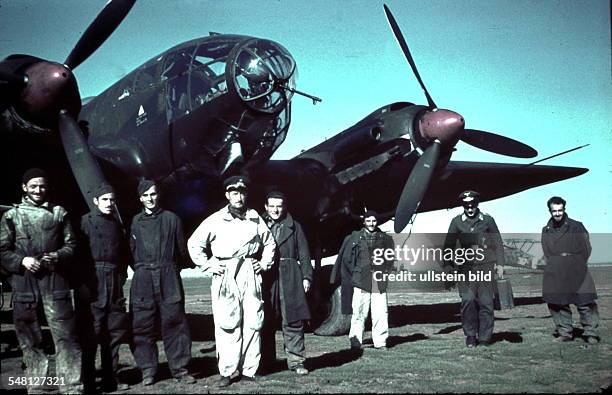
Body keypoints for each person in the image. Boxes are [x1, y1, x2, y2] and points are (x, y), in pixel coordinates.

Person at [0, 168, 83, 393]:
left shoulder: (59, 213)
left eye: (42, 186)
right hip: (24, 283)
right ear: (24, 188)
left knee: (66, 335)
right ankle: (37, 387)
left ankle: (71, 386)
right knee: (29, 338)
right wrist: (22, 260)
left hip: (55, 281)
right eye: (34, 186)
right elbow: (2, 250)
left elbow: (72, 245)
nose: (38, 190)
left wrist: (57, 255)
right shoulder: (11, 216)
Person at [187, 175, 276, 387]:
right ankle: (227, 371)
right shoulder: (215, 219)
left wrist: (263, 264)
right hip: (225, 272)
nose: (239, 196)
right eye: (234, 192)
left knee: (253, 321)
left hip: (249, 271)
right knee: (228, 322)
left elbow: (269, 243)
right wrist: (209, 265)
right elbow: (194, 244)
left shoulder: (255, 218)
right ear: (227, 195)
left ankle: (249, 370)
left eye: (242, 192)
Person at [129, 179, 195, 385]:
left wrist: (170, 268)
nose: (150, 198)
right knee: (142, 326)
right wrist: (144, 268)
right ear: (140, 198)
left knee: (175, 323)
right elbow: (131, 251)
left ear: (158, 195)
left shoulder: (172, 219)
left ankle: (180, 369)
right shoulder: (135, 222)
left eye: (153, 194)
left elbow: (182, 250)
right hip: (143, 277)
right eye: (145, 195)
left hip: (169, 276)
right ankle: (148, 370)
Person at [77, 182, 130, 392]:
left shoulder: (117, 225)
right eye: (105, 199)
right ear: (96, 201)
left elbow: (124, 255)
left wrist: (121, 275)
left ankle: (111, 378)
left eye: (112, 199)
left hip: (114, 281)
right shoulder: (84, 222)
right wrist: (84, 285)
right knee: (92, 334)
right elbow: (78, 256)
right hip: (93, 281)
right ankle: (88, 381)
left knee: (114, 332)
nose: (109, 203)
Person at [443, 190, 505, 348]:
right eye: (466, 206)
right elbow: (448, 246)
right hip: (466, 269)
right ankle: (470, 335)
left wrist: (500, 264)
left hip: (486, 267)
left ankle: (485, 337)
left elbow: (498, 242)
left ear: (477, 204)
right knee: (468, 301)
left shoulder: (487, 220)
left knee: (486, 303)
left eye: (473, 205)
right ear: (463, 206)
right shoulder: (457, 222)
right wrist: (448, 267)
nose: (470, 209)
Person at [260, 190, 312, 375]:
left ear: (284, 207)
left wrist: (307, 276)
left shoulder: (295, 226)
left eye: (279, 206)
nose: (275, 210)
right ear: (266, 207)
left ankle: (297, 361)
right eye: (272, 206)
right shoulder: (258, 226)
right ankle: (265, 361)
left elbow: (304, 253)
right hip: (266, 277)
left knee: (294, 319)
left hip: (290, 275)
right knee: (265, 320)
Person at [331, 210, 394, 350]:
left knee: (381, 313)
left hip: (379, 280)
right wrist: (356, 274)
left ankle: (381, 342)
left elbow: (390, 260)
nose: (371, 223)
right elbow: (347, 259)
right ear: (364, 222)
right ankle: (355, 341)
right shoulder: (354, 238)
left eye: (374, 221)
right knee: (359, 312)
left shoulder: (386, 239)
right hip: (360, 280)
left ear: (377, 222)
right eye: (369, 221)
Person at [541, 196, 599, 344]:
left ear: (564, 209)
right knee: (558, 303)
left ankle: (591, 333)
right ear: (550, 211)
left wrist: (577, 263)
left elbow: (586, 248)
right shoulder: (546, 230)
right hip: (556, 269)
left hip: (577, 268)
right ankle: (564, 333)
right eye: (554, 211)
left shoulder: (577, 226)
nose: (557, 214)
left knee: (585, 302)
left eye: (560, 210)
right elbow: (546, 251)